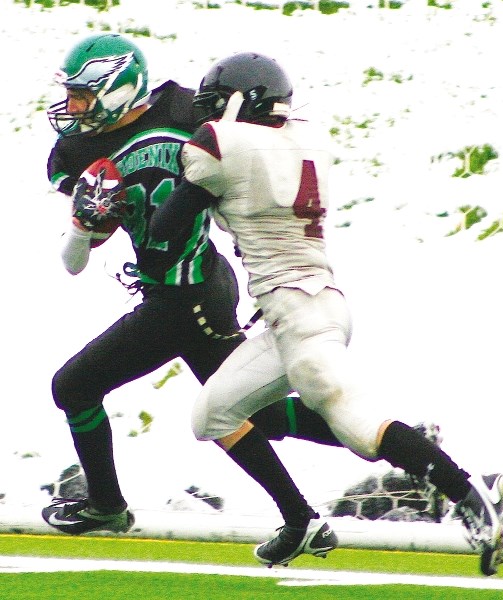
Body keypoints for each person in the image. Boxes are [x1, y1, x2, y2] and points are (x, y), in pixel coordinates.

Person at [150, 51, 503, 575]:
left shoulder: (223, 146)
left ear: (236, 104)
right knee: (212, 415)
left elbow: (164, 229)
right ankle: (299, 521)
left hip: (300, 317)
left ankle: (470, 492)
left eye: (212, 105)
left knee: (359, 427)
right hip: (310, 308)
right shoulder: (300, 135)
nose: (204, 116)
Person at [40, 33, 354, 560]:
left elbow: (259, 143)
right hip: (185, 289)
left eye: (82, 95)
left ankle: (105, 505)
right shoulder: (78, 152)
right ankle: (389, 448)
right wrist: (81, 222)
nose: (72, 109)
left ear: (116, 88)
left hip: (188, 295)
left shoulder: (187, 111)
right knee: (260, 415)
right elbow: (74, 261)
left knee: (74, 386)